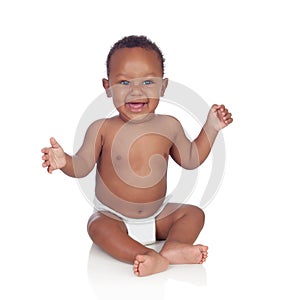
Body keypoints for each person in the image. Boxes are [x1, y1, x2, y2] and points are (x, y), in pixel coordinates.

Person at [41, 35, 233, 276]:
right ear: (107, 87)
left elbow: (191, 159)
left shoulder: (169, 125)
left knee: (194, 214)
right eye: (123, 83)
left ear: (163, 86)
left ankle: (173, 248)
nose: (136, 91)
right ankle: (149, 256)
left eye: (148, 82)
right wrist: (64, 161)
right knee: (96, 226)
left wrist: (211, 128)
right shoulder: (102, 128)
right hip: (114, 217)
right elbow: (82, 166)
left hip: (157, 214)